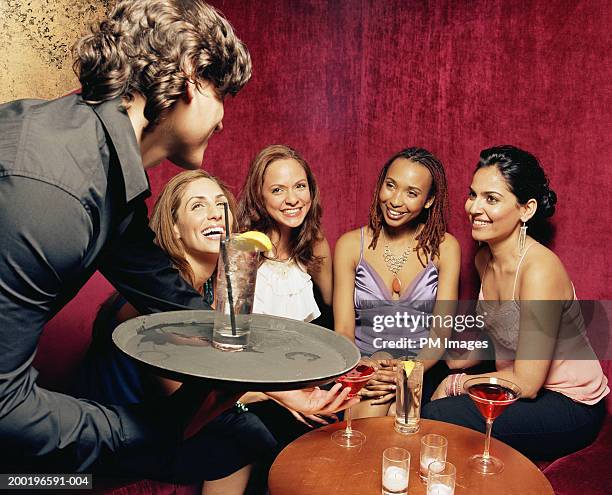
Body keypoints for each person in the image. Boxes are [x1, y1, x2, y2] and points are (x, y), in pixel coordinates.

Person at [0, 0, 353, 474]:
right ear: (189, 75)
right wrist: (155, 433)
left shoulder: (98, 163)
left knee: (234, 441)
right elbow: (5, 407)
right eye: (221, 92)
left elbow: (167, 294)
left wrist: (273, 380)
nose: (224, 118)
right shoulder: (54, 191)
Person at [422, 145, 609, 459]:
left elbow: (527, 381)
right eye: (472, 195)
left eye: (491, 199)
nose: (474, 208)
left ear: (527, 209)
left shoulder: (539, 270)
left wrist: (456, 384)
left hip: (569, 405)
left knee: (441, 415)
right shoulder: (485, 259)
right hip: (519, 385)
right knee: (421, 389)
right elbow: (493, 340)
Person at [333, 147, 460, 418]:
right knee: (373, 402)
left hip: (421, 365)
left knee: (402, 410)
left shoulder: (446, 248)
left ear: (428, 200)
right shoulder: (349, 245)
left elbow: (441, 333)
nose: (395, 200)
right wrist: (364, 367)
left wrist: (408, 370)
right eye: (390, 186)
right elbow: (343, 328)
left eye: (411, 193)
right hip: (364, 364)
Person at [238, 144, 333, 323]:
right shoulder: (244, 244)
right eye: (277, 190)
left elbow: (331, 307)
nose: (292, 199)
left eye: (300, 186)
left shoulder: (315, 243)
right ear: (259, 196)